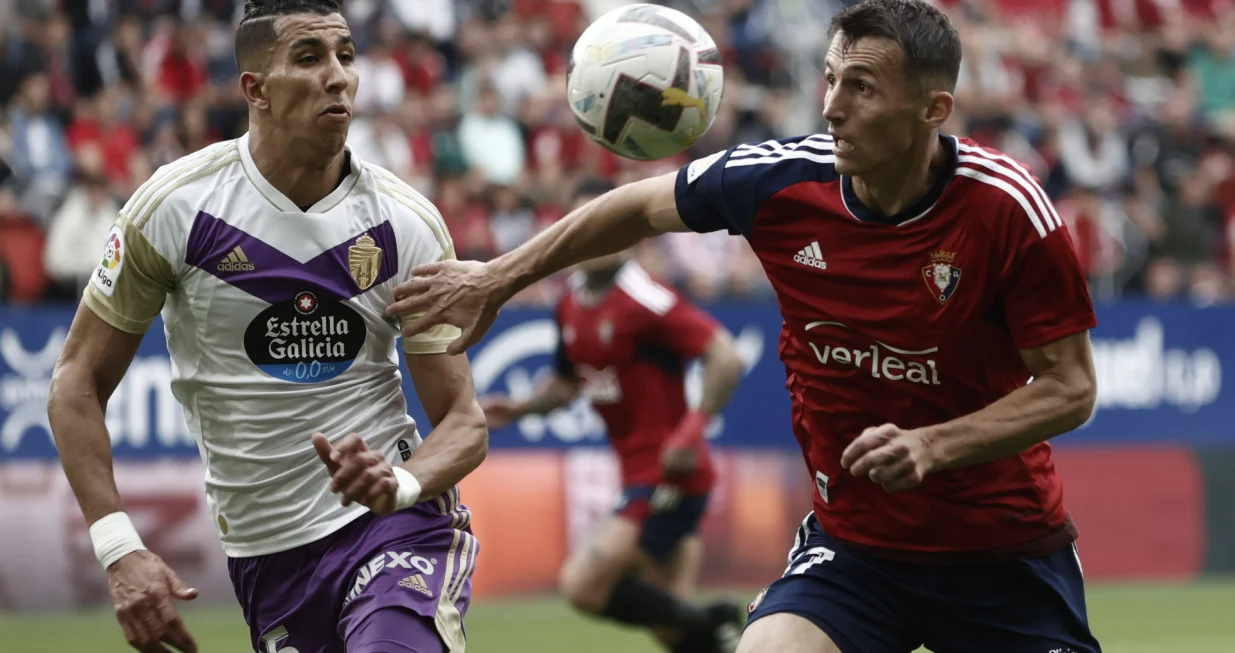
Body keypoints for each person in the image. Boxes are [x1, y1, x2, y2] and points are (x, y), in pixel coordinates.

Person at [387, 1, 1104, 652]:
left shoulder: (1007, 209)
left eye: (860, 87)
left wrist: (932, 444)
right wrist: (496, 277)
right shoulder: (780, 182)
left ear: (931, 107)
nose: (830, 107)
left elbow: (1070, 387)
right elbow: (634, 208)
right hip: (855, 553)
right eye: (828, 79)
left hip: (1001, 554)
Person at [47, 2, 486, 652]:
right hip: (269, 560)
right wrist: (118, 548)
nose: (336, 75)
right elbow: (75, 383)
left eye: (344, 55)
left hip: (395, 528)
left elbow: (464, 419)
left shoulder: (404, 224)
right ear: (255, 89)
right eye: (308, 58)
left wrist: (400, 483)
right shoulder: (176, 207)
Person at [480, 179, 747, 653]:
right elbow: (567, 385)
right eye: (585, 227)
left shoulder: (645, 297)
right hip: (638, 473)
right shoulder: (568, 305)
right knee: (673, 630)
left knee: (583, 584)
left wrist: (691, 431)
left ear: (628, 235)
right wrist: (520, 408)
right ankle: (721, 634)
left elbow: (725, 355)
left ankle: (722, 619)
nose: (596, 238)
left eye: (607, 226)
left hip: (671, 475)